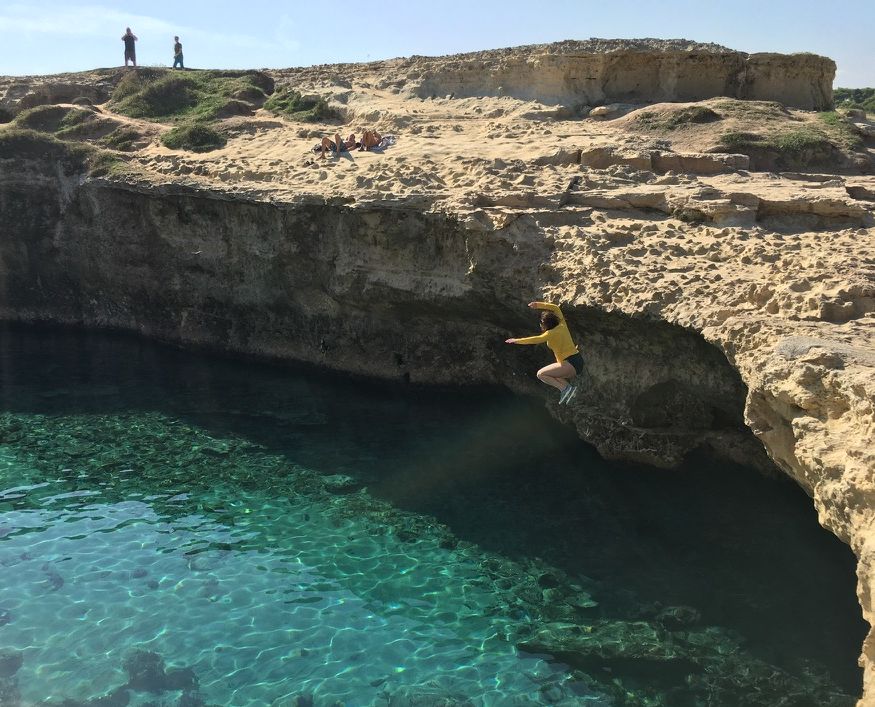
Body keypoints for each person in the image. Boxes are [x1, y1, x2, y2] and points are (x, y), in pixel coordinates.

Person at [505, 301, 584, 404]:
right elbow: (555, 308)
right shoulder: (562, 324)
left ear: (545, 324)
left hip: (570, 363)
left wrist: (517, 341)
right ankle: (568, 389)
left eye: (541, 322)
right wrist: (538, 305)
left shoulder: (549, 334)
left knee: (541, 374)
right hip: (576, 361)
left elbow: (535, 340)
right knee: (551, 375)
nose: (540, 324)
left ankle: (565, 389)